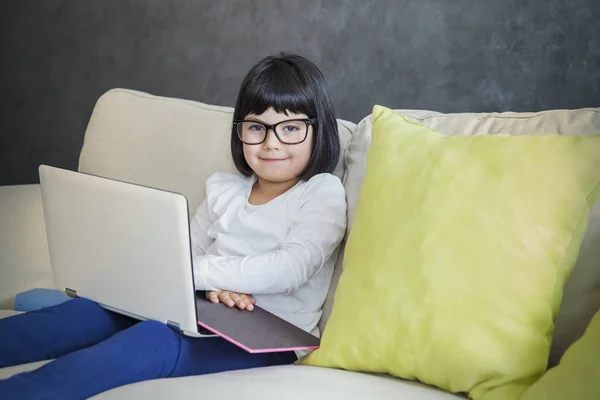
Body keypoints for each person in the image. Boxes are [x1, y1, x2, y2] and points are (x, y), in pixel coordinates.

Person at [0, 53, 347, 399]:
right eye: (257, 127)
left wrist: (208, 278)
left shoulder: (320, 191)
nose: (271, 143)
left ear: (318, 130)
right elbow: (185, 257)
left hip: (271, 337)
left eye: (290, 128)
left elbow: (289, 269)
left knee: (153, 341)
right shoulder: (223, 189)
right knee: (88, 312)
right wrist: (205, 286)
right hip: (201, 307)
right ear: (240, 130)